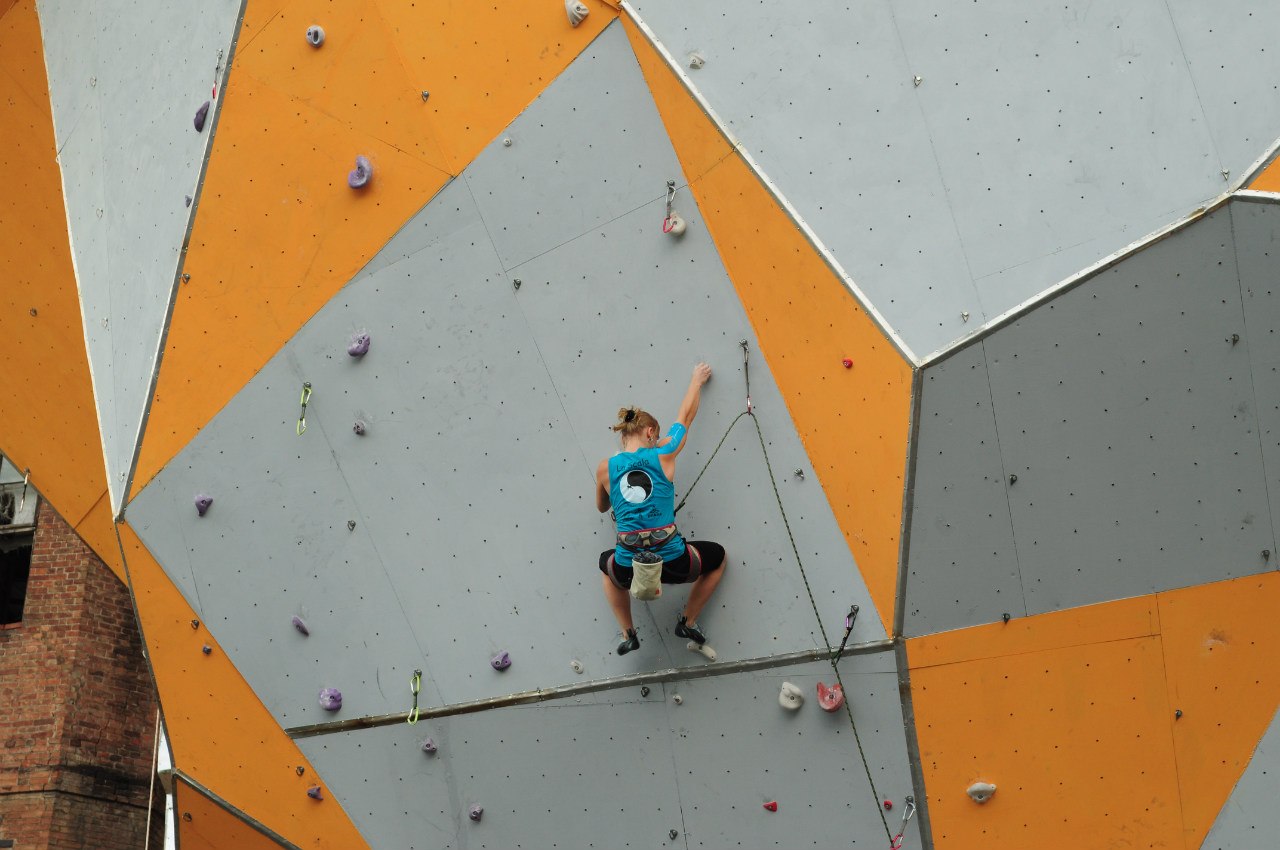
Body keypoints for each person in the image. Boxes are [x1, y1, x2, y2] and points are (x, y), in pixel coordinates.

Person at [595, 363, 726, 655]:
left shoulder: (606, 468)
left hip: (628, 567)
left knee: (607, 565)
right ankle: (688, 621)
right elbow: (686, 418)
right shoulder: (664, 453)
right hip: (675, 563)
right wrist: (696, 380)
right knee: (718, 558)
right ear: (651, 432)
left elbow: (602, 506)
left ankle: (628, 633)